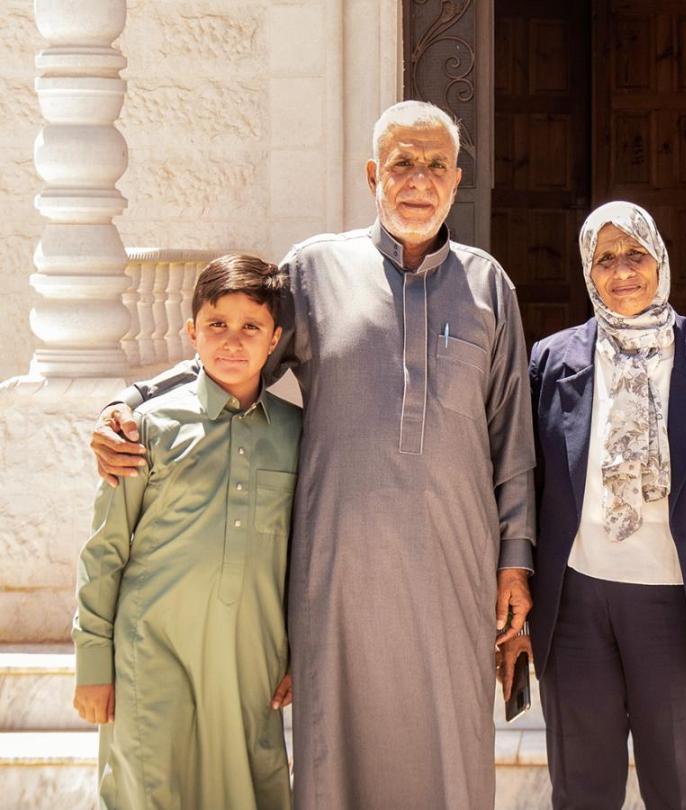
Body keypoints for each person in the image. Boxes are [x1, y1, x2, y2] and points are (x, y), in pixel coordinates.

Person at [89, 101, 536, 809]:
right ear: (371, 175)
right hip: (337, 560)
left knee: (450, 733)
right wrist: (135, 398)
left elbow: (513, 431)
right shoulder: (316, 269)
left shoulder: (488, 286)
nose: (418, 180)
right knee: (337, 737)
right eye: (401, 164)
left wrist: (515, 558)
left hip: (453, 556)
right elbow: (237, 357)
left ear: (457, 179)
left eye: (435, 165)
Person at [504, 201, 686, 809]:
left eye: (635, 254)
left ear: (660, 260)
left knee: (678, 783)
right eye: (605, 259)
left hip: (676, 604)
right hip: (575, 605)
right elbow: (525, 482)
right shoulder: (553, 359)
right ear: (587, 272)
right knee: (581, 786)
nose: (621, 271)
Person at [73, 255, 300, 809]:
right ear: (191, 332)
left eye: (251, 327)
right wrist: (93, 662)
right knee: (149, 789)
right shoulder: (145, 428)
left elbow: (308, 557)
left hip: (250, 661)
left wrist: (300, 653)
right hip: (150, 654)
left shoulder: (298, 435)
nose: (232, 341)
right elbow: (105, 550)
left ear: (275, 342)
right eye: (217, 325)